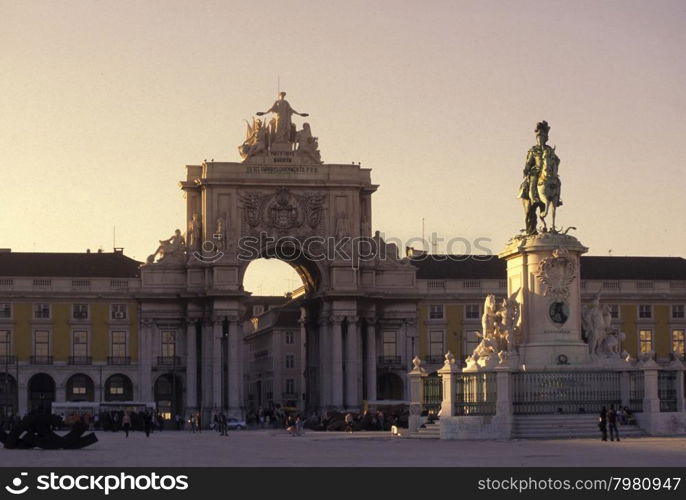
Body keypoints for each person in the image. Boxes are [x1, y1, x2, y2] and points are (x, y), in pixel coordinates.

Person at [518, 120, 561, 235]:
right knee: (533, 181)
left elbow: (557, 160)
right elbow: (528, 163)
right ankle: (534, 197)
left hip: (548, 173)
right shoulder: (533, 150)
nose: (540, 138)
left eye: (542, 136)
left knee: (558, 182)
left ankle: (558, 199)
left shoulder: (549, 150)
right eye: (538, 136)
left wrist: (554, 169)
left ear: (546, 137)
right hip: (536, 172)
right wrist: (526, 170)